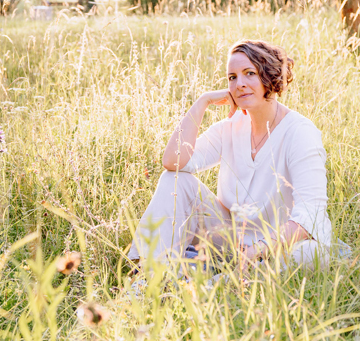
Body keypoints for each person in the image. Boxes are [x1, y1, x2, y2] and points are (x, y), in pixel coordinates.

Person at [128, 39, 332, 269]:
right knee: (174, 180)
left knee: (308, 254)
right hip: (234, 242)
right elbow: (173, 162)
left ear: (269, 76)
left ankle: (220, 283)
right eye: (232, 77)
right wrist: (202, 102)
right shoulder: (230, 126)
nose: (240, 84)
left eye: (249, 73)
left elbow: (309, 217)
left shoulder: (300, 132)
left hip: (280, 244)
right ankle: (151, 275)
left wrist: (257, 250)